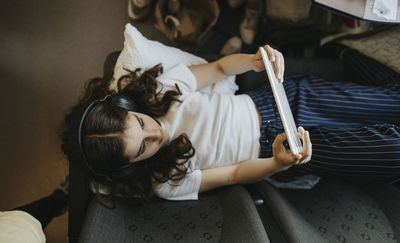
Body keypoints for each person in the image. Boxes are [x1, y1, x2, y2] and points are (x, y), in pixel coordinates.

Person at [61, 45, 400, 201]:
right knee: (391, 150)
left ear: (127, 106)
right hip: (282, 146)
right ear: (128, 168)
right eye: (143, 147)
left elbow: (221, 69)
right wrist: (276, 164)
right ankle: (346, 55)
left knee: (393, 103)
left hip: (285, 99)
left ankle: (342, 52)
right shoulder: (164, 182)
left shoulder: (160, 90)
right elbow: (235, 174)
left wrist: (254, 61)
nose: (155, 133)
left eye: (140, 121)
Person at [0, 177, 68, 242]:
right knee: (46, 207)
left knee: (44, 207)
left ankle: (59, 201)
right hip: (21, 227)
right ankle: (61, 199)